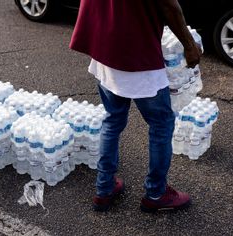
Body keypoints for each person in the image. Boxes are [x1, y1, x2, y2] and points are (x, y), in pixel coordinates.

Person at [69, 0, 202, 212]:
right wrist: (189, 45)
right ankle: (156, 193)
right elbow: (168, 5)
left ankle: (104, 188)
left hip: (105, 46)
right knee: (161, 124)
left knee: (112, 120)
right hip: (137, 52)